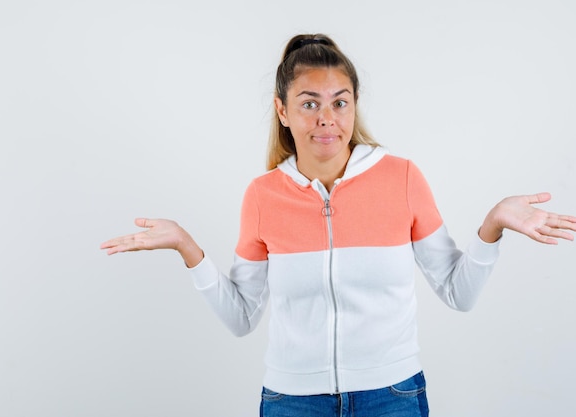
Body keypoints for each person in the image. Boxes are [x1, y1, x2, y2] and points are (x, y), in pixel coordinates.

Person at [100, 34, 576, 417]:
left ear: (354, 106)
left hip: (392, 397)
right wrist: (188, 247)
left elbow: (458, 292)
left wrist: (492, 225)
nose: (327, 119)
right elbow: (242, 318)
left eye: (340, 103)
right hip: (292, 401)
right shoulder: (263, 195)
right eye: (309, 103)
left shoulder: (402, 178)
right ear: (283, 111)